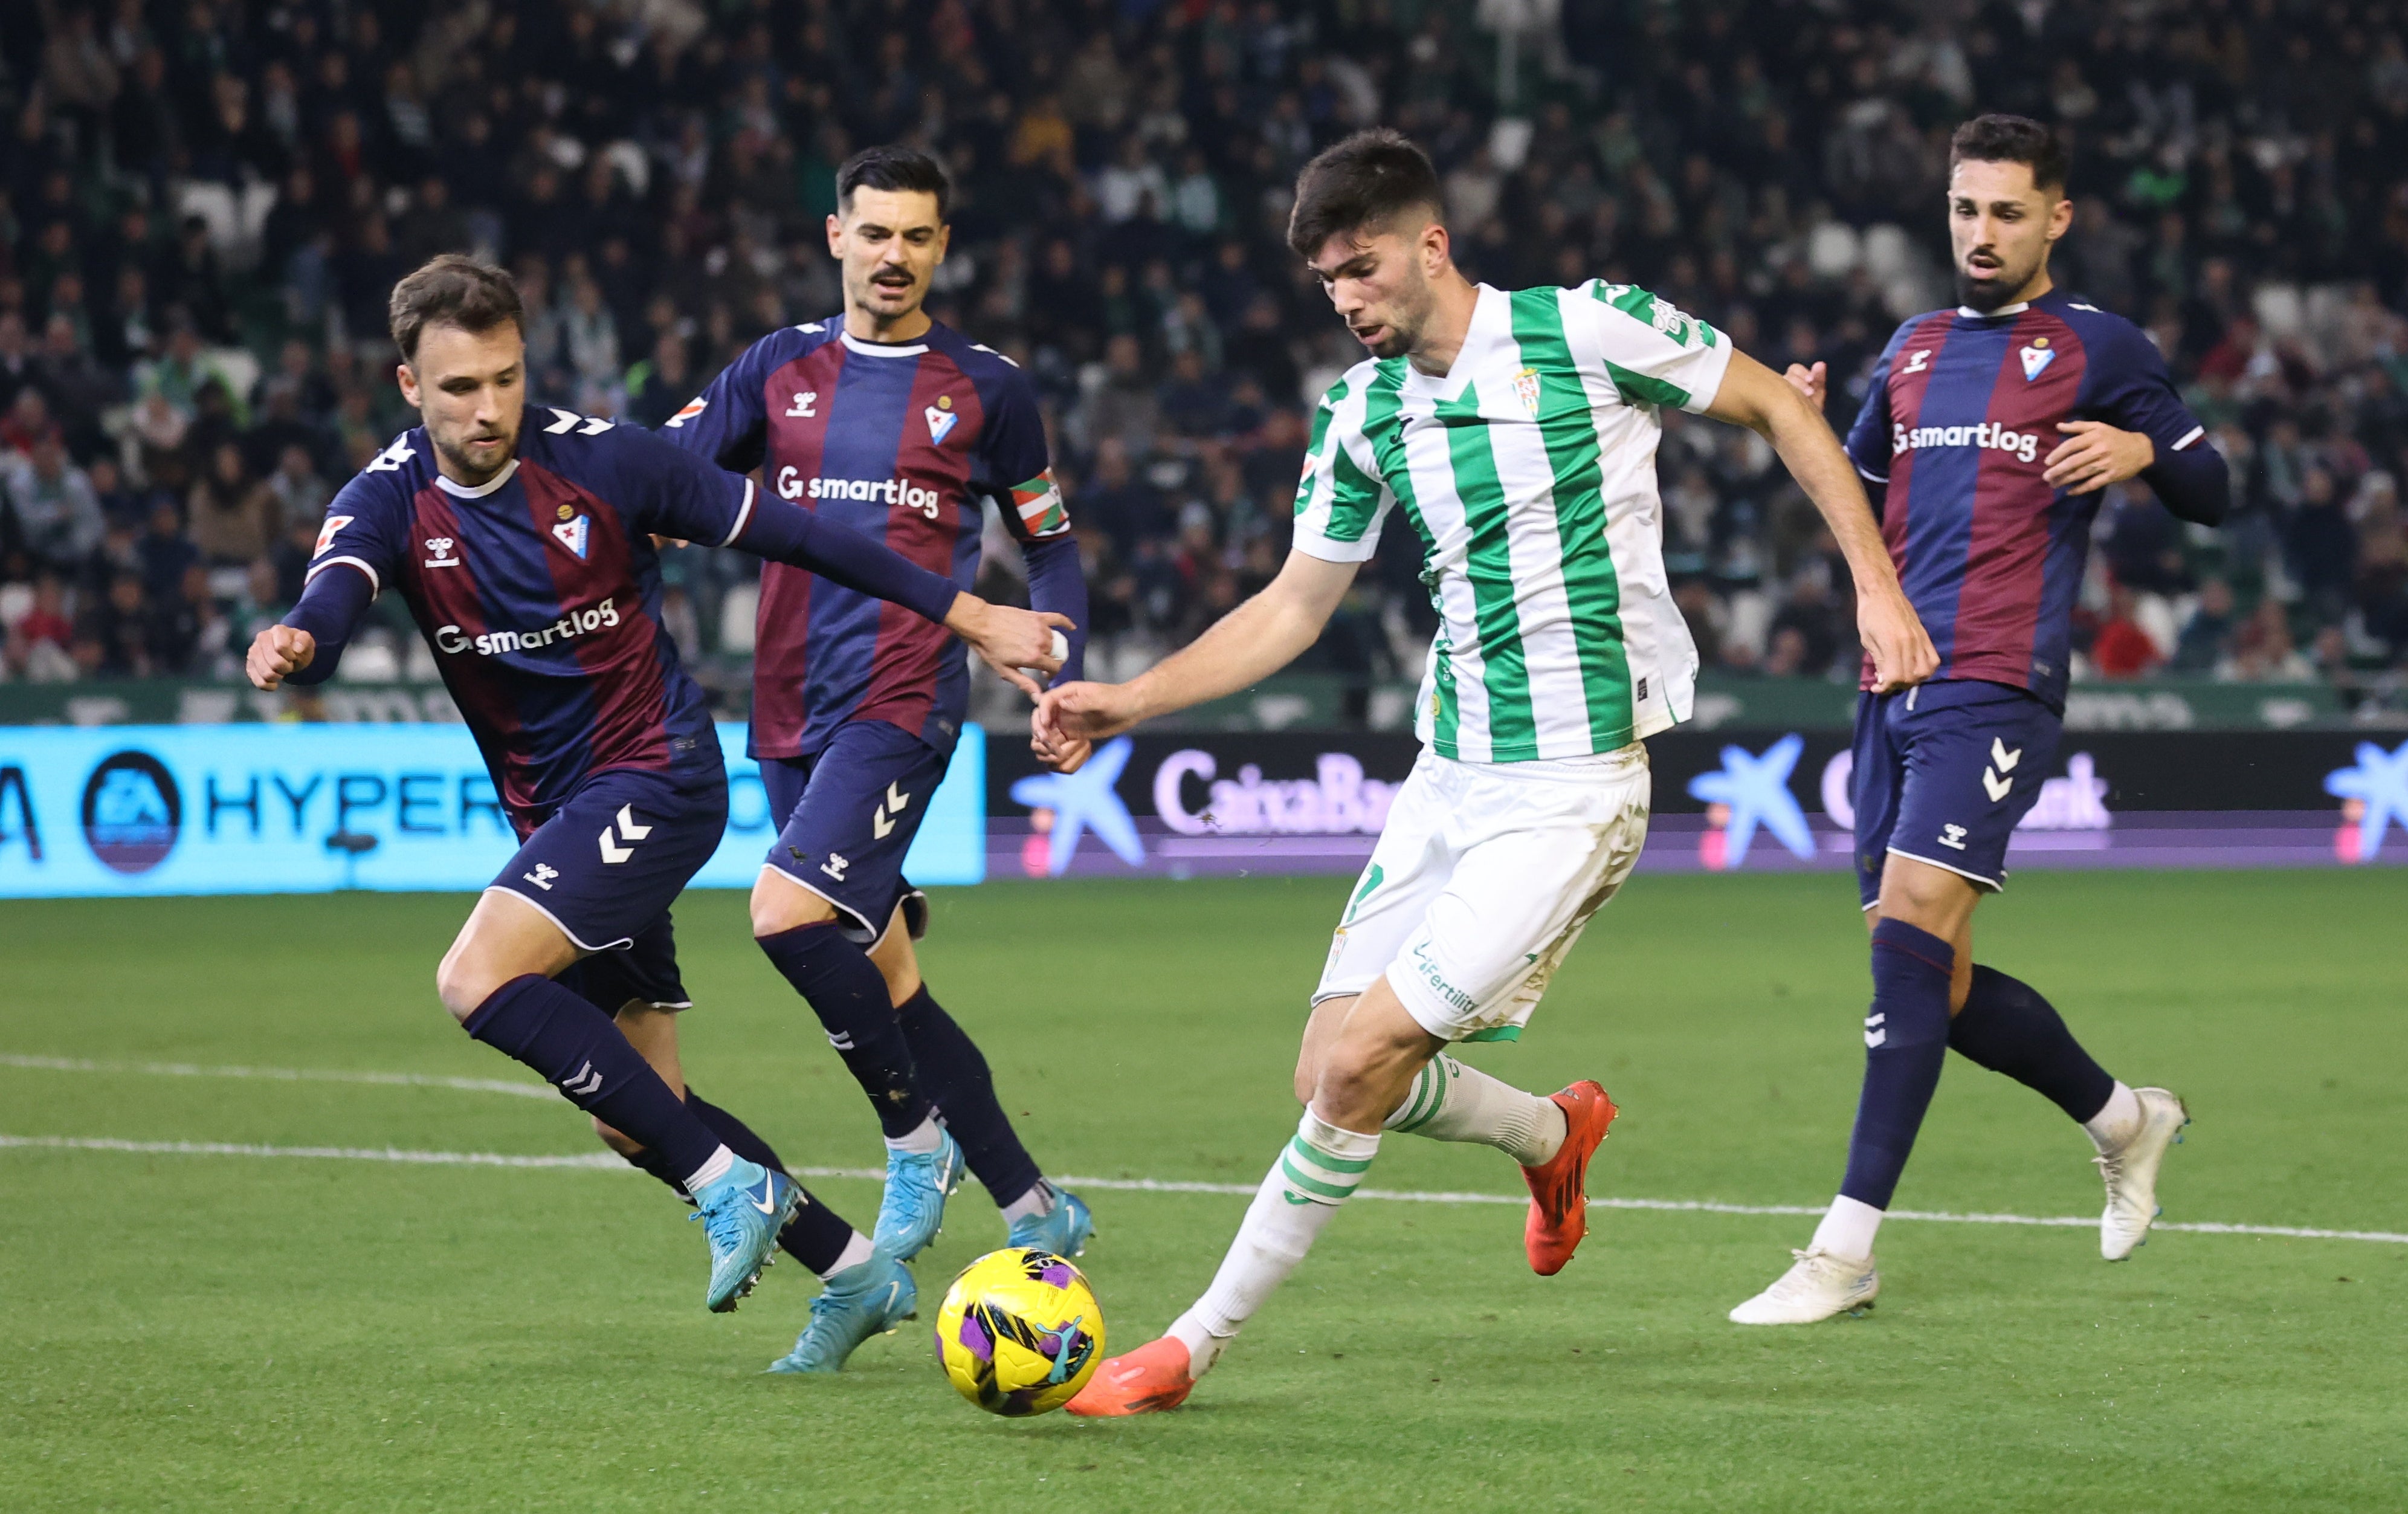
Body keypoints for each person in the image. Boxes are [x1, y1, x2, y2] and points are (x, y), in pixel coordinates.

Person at [1033, 129, 1935, 1415]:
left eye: (1361, 268)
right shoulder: (1362, 411)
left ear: (1430, 244)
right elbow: (1293, 607)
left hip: (1570, 790)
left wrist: (1876, 591)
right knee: (1324, 1071)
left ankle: (1189, 1345)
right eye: (1326, 283)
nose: (1347, 301)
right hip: (1446, 777)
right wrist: (1129, 697)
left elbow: (1781, 405)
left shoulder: (1590, 327)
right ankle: (1550, 1132)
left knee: (1359, 1071)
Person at [244, 254, 1068, 1342]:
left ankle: (735, 1185)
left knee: (473, 977)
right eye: (458, 388)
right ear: (408, 385)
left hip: (658, 776)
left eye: (503, 377)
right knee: (636, 1115)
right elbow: (335, 590)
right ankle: (855, 1271)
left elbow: (806, 534)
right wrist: (299, 639)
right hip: (557, 819)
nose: (488, 407)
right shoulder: (387, 501)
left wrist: (965, 611)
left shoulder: (609, 464)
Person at [1728, 115, 2232, 1325]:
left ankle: (1841, 1252)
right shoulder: (1910, 348)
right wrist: (1788, 424)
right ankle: (2126, 1116)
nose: (1981, 233)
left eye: (2007, 211)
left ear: (2056, 218)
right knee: (1925, 979)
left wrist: (2137, 450)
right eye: (1965, 209)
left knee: (1907, 936)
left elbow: (2213, 490)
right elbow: (1844, 502)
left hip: (1996, 679)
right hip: (1885, 681)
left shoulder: (2098, 347)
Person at [659, 149, 1097, 1347]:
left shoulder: (987, 388)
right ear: (835, 237)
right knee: (888, 973)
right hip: (789, 704)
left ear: (942, 248)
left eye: (918, 236)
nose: (894, 254)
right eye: (876, 232)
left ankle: (917, 1141)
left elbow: (1049, 542)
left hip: (902, 699)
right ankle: (1033, 1200)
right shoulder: (773, 371)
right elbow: (666, 472)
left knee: (787, 918)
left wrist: (1055, 646)